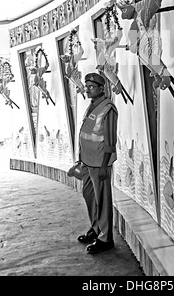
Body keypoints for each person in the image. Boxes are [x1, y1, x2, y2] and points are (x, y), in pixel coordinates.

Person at [77, 72, 118, 254]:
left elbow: (110, 141)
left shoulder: (107, 108)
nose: (87, 89)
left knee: (102, 200)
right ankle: (95, 228)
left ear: (101, 89)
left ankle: (105, 238)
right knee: (89, 196)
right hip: (87, 161)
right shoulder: (92, 106)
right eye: (87, 87)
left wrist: (104, 166)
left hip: (99, 163)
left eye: (91, 87)